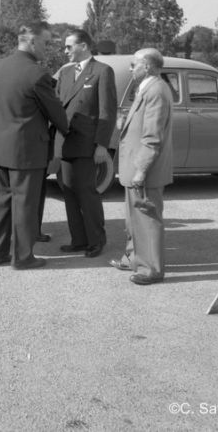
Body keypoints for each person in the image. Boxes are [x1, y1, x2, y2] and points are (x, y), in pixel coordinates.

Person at [0, 22, 68, 269]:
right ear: (31, 41)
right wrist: (67, 128)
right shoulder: (37, 74)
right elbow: (56, 113)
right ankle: (23, 257)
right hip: (26, 151)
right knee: (25, 205)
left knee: (1, 202)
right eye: (45, 42)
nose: (47, 48)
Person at [109, 48, 173, 285]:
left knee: (147, 219)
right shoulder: (147, 87)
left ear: (147, 66)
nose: (130, 68)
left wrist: (141, 170)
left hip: (145, 170)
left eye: (133, 64)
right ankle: (133, 258)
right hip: (135, 166)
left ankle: (151, 269)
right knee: (133, 219)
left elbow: (152, 136)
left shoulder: (156, 90)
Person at [54, 29, 117, 258]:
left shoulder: (102, 71)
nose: (65, 51)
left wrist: (102, 145)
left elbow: (106, 112)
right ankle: (78, 240)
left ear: (83, 46)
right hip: (66, 142)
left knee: (87, 193)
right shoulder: (65, 73)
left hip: (87, 144)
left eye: (69, 46)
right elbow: (56, 105)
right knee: (69, 192)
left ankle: (96, 240)